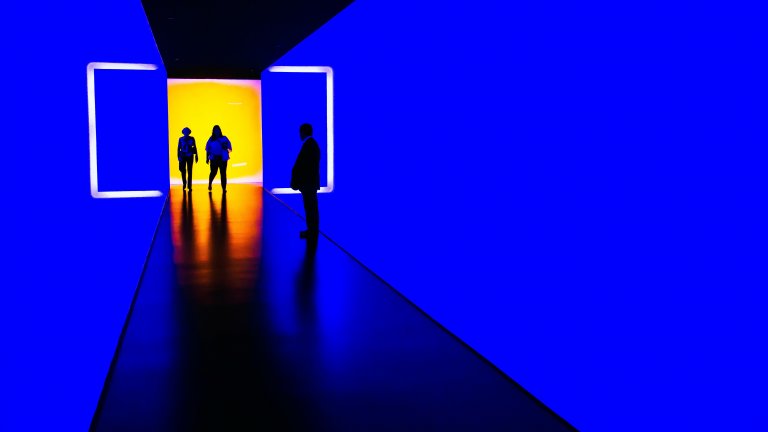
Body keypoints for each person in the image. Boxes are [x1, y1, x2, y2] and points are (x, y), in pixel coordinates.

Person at [291, 123, 321, 239]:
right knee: (311, 207)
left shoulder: (309, 145)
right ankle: (312, 230)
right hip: (310, 183)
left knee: (310, 208)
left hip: (308, 183)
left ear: (303, 132)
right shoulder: (312, 144)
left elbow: (303, 166)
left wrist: (297, 181)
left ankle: (312, 231)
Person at [205, 125, 232, 193]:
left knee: (223, 173)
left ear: (220, 130)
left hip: (223, 158)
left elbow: (230, 148)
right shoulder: (211, 139)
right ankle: (210, 183)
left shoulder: (224, 138)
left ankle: (224, 188)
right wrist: (207, 158)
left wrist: (225, 147)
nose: (216, 131)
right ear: (213, 131)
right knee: (213, 172)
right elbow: (208, 149)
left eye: (218, 130)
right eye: (215, 130)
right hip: (214, 158)